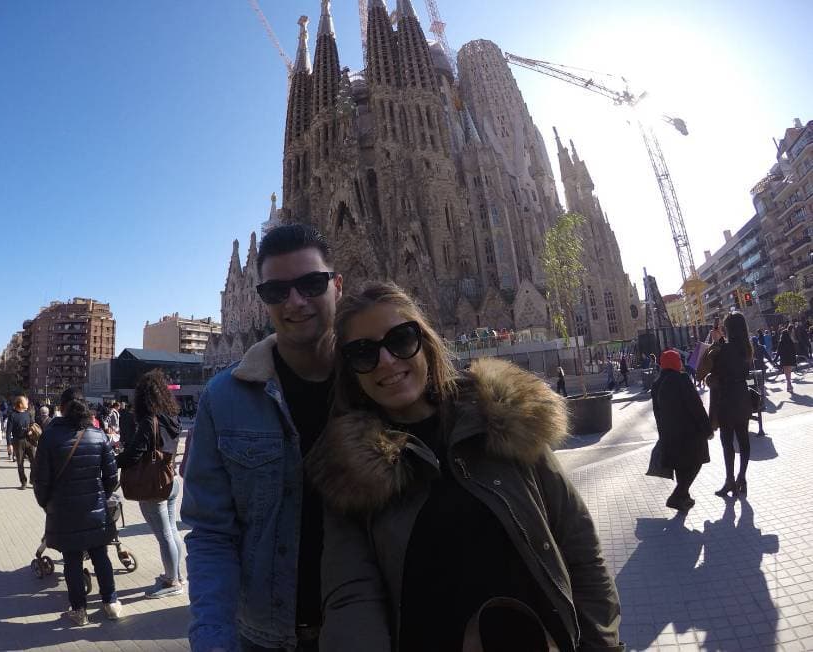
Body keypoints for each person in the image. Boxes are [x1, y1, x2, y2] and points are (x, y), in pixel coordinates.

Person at [308, 282, 622, 652]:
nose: (387, 361)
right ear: (351, 371)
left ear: (424, 342)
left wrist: (602, 645)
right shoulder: (348, 470)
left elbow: (578, 541)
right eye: (363, 353)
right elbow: (351, 595)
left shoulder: (502, 418)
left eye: (401, 339)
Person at [181, 224, 343, 651]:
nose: (295, 301)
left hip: (364, 630)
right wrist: (213, 639)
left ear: (337, 286)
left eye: (311, 283)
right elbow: (211, 534)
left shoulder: (373, 383)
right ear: (261, 299)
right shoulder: (223, 399)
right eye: (276, 291)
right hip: (261, 637)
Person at [33, 387, 122, 626]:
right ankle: (111, 602)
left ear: (61, 408)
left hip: (63, 510)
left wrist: (46, 503)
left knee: (72, 560)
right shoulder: (98, 435)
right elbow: (112, 478)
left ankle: (79, 610)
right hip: (95, 509)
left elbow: (40, 479)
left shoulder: (49, 437)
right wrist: (100, 496)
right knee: (100, 555)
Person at [116, 369, 185, 598]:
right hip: (171, 479)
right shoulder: (172, 418)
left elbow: (134, 454)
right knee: (172, 530)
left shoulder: (149, 421)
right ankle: (176, 575)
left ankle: (171, 582)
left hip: (153, 486)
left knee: (164, 534)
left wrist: (112, 460)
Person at [651, 350, 711, 511]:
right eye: (679, 360)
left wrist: (663, 434)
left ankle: (684, 498)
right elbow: (696, 406)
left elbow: (657, 413)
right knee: (696, 462)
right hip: (689, 434)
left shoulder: (657, 384)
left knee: (680, 467)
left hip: (670, 436)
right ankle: (678, 495)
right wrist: (707, 429)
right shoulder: (681, 379)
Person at [709, 313, 754, 498]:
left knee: (727, 441)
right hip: (742, 397)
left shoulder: (723, 349)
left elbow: (714, 370)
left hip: (726, 398)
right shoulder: (747, 348)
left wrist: (717, 343)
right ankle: (741, 477)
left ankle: (730, 481)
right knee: (743, 439)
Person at [6, 396, 35, 489]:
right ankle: (23, 482)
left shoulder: (28, 413)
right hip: (18, 441)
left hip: (29, 440)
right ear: (20, 404)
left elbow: (32, 424)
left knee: (34, 461)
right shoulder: (12, 415)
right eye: (25, 402)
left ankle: (33, 479)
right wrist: (9, 444)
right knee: (20, 463)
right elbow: (8, 431)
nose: (27, 403)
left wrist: (31, 430)